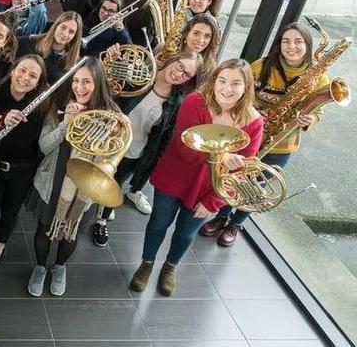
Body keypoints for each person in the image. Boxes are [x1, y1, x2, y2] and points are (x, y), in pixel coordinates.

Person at [129, 59, 264, 296]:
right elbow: (186, 150)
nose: (227, 89)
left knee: (185, 232)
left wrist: (214, 201)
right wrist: (222, 157)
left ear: (246, 87)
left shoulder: (254, 123)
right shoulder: (194, 102)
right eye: (222, 81)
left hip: (209, 189)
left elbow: (240, 174)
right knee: (158, 224)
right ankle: (147, 263)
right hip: (175, 177)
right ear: (214, 81)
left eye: (236, 83)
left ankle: (170, 267)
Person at [200, 23, 327, 246]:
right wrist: (257, 113)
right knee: (234, 177)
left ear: (307, 45)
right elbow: (243, 94)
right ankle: (221, 217)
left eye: (298, 42)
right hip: (250, 135)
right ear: (279, 43)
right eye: (286, 41)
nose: (292, 46)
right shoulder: (262, 65)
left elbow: (319, 111)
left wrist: (310, 120)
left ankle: (236, 224)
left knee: (255, 188)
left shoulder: (319, 78)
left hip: (282, 145)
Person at [25, 56, 126, 295]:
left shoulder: (112, 113)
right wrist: (65, 125)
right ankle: (40, 267)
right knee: (45, 228)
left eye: (87, 82)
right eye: (76, 81)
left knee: (71, 232)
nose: (80, 87)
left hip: (85, 186)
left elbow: (114, 154)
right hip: (54, 179)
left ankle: (59, 267)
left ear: (98, 82)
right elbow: (44, 146)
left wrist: (120, 128)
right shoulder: (59, 105)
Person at [90, 50, 202, 246]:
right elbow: (110, 94)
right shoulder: (139, 75)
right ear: (173, 60)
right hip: (106, 139)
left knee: (114, 185)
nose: (179, 74)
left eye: (186, 75)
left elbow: (166, 136)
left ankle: (101, 219)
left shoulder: (177, 101)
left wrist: (152, 164)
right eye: (180, 66)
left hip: (135, 150)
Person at [0, 55, 50, 272]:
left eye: (33, 76)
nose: (25, 78)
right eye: (22, 70)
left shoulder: (42, 103)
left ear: (38, 82)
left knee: (10, 212)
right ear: (13, 70)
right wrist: (2, 119)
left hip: (23, 171)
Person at [18, 12, 83, 83]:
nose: (65, 34)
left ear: (75, 36)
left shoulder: (73, 61)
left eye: (71, 32)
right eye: (63, 27)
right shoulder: (31, 42)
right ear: (56, 26)